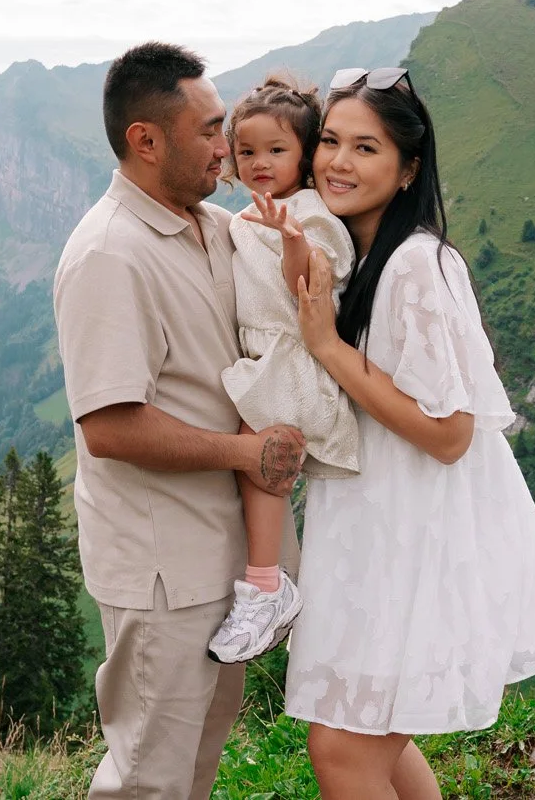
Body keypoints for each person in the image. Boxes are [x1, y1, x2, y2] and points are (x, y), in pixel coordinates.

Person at [270, 65, 535, 799]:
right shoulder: (361, 256)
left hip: (413, 535)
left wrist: (329, 347)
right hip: (380, 529)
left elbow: (449, 431)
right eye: (330, 142)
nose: (338, 162)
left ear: (409, 167)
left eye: (367, 148)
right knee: (372, 734)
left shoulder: (416, 264)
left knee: (343, 746)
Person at [52, 41, 308, 800]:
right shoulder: (109, 253)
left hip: (220, 557)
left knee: (193, 767)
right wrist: (246, 452)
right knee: (148, 778)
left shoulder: (211, 226)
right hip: (162, 569)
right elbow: (110, 427)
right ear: (145, 138)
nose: (225, 146)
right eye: (208, 128)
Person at [206, 76, 359, 665]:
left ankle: (266, 587)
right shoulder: (249, 214)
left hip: (294, 357)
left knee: (261, 455)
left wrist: (291, 237)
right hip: (267, 356)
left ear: (304, 154)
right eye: (247, 152)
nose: (259, 163)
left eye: (276, 150)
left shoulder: (309, 214)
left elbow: (310, 284)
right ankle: (267, 579)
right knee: (255, 467)